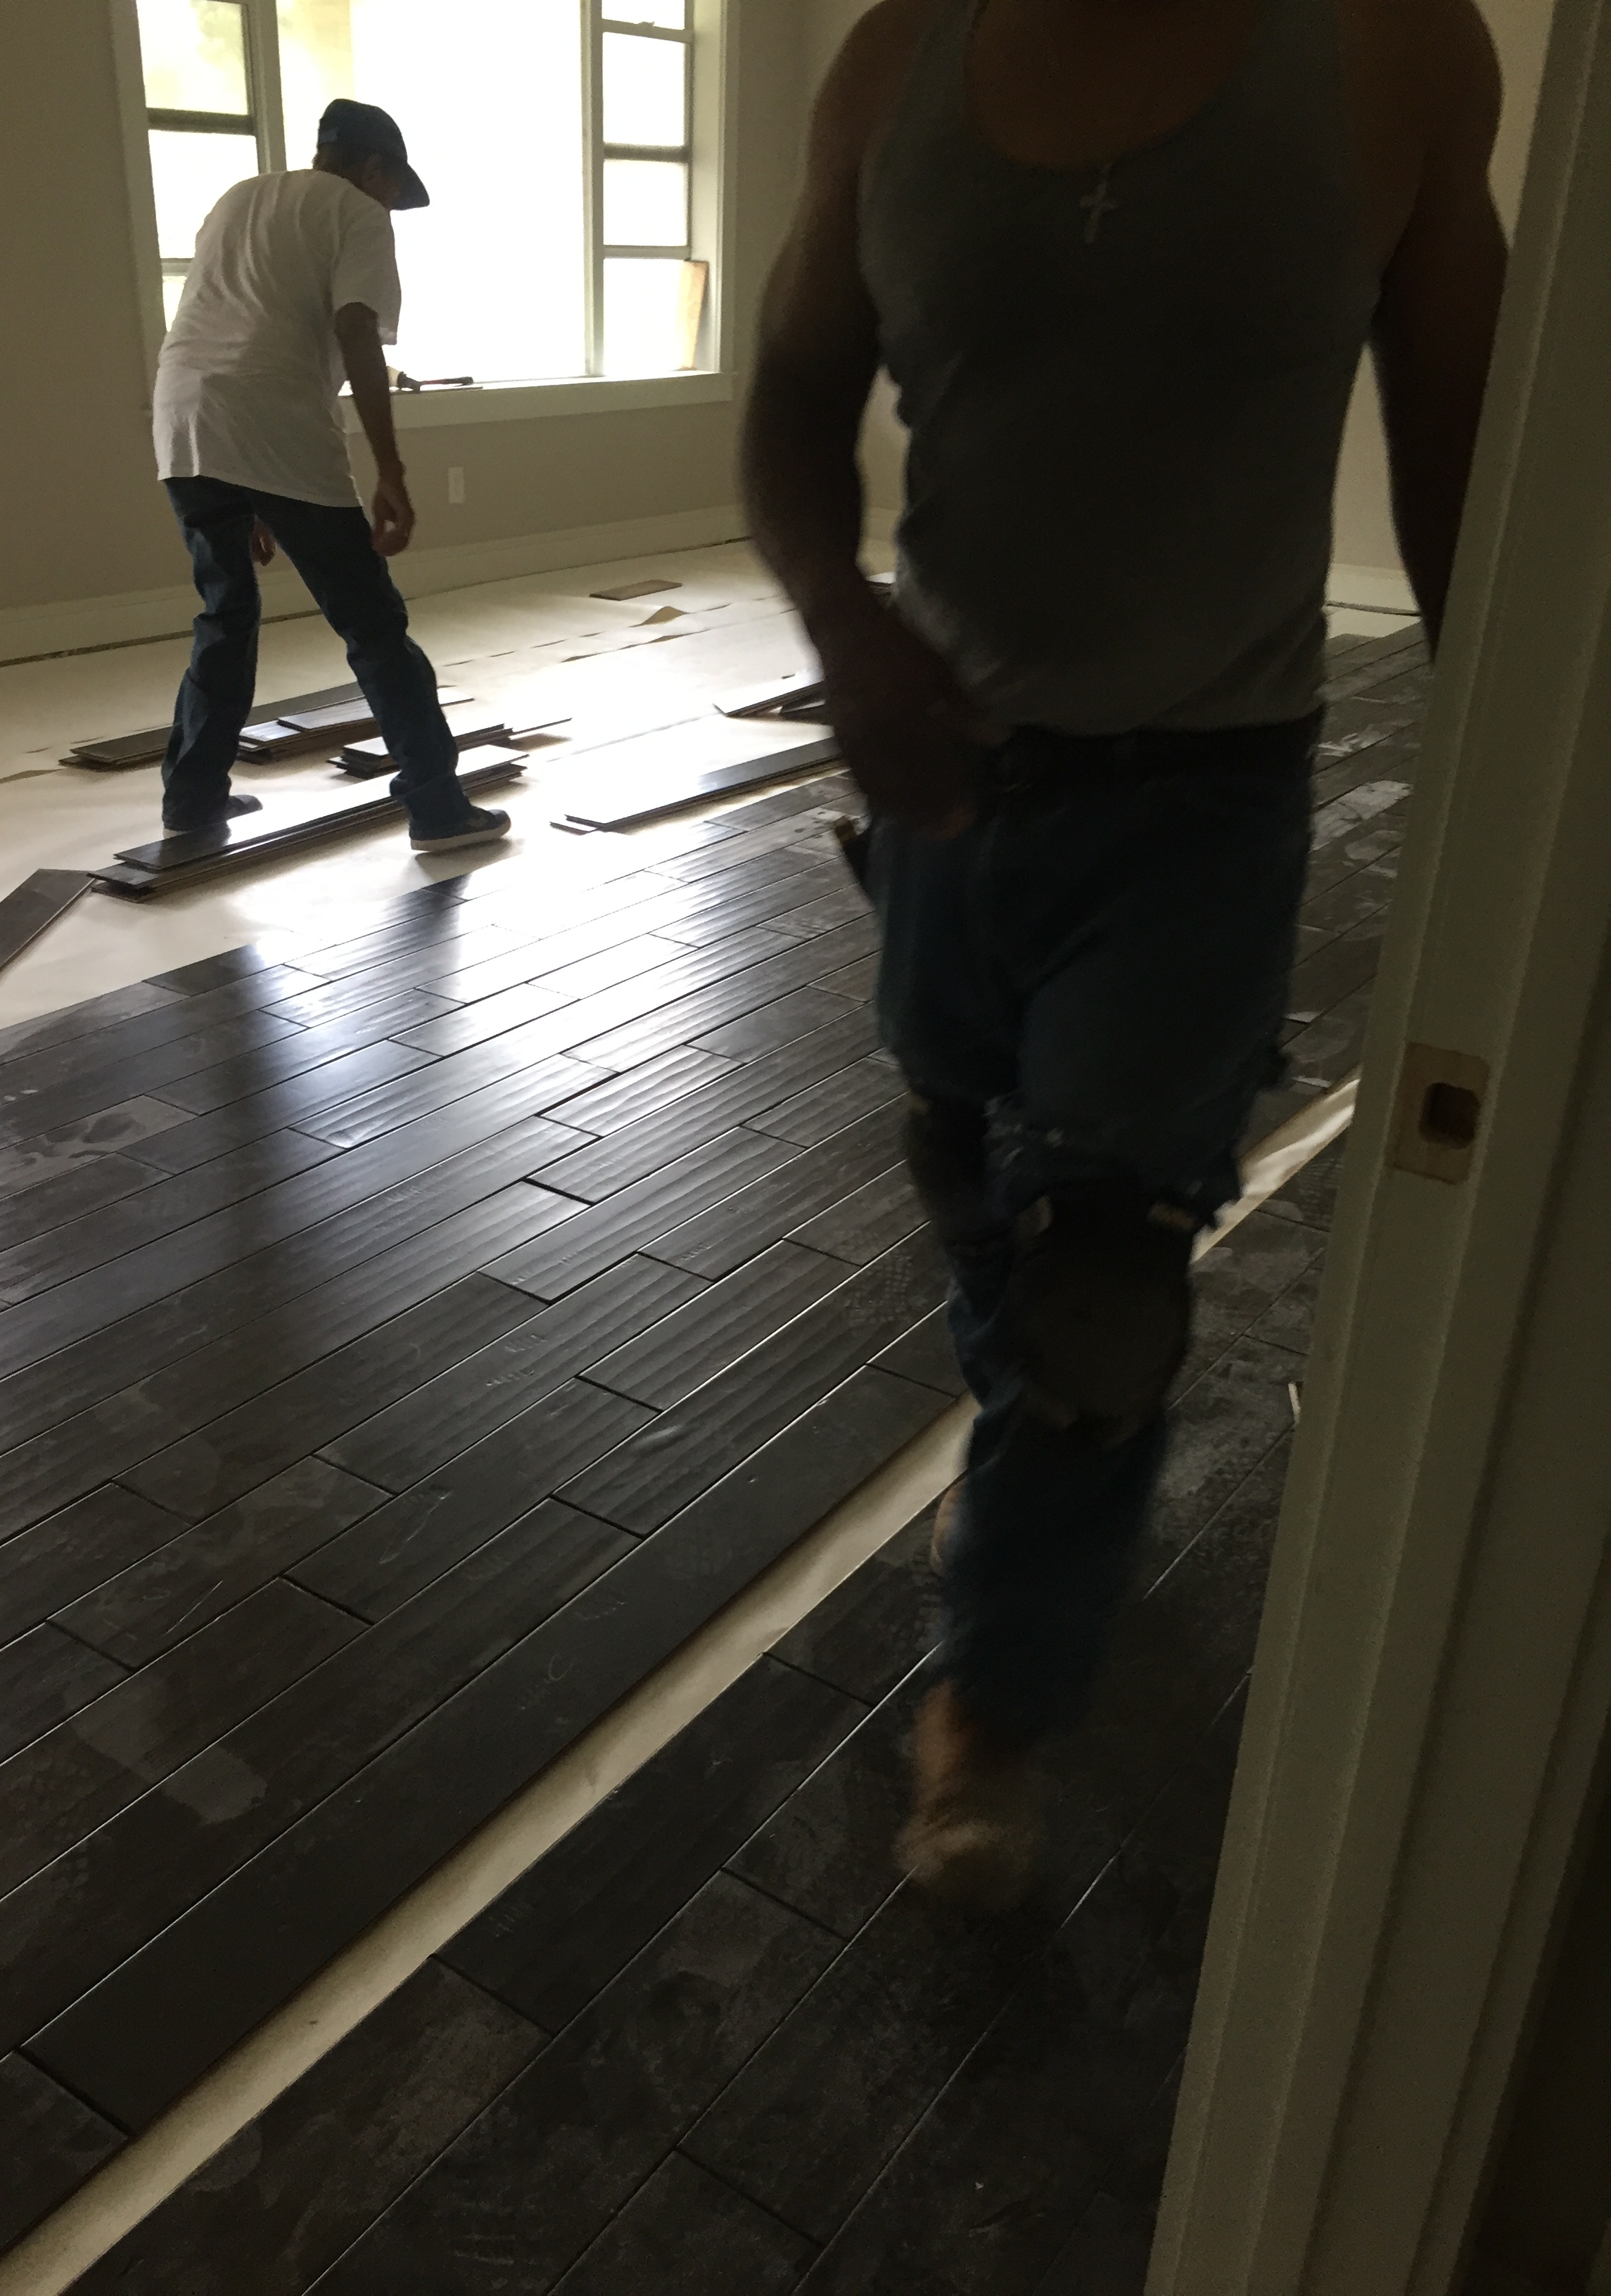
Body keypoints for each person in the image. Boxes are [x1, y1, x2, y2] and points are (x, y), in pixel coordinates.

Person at [744, 0, 1507, 1908]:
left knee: (1098, 1292)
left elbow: (1468, 480)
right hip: (947, 797)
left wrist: (1527, 816)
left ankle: (990, 1712)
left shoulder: (1399, 51)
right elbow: (787, 408)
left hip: (1201, 804)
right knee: (983, 1209)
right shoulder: (889, 61)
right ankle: (1031, 1495)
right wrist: (842, 622)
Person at [151, 98, 510, 853]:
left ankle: (192, 798)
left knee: (225, 614)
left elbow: (235, 319)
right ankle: (439, 809)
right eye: (392, 187)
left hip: (185, 419)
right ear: (373, 168)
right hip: (274, 422)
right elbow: (355, 332)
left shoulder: (238, 199)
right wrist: (391, 468)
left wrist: (245, 490)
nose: (390, 205)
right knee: (373, 625)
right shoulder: (355, 211)